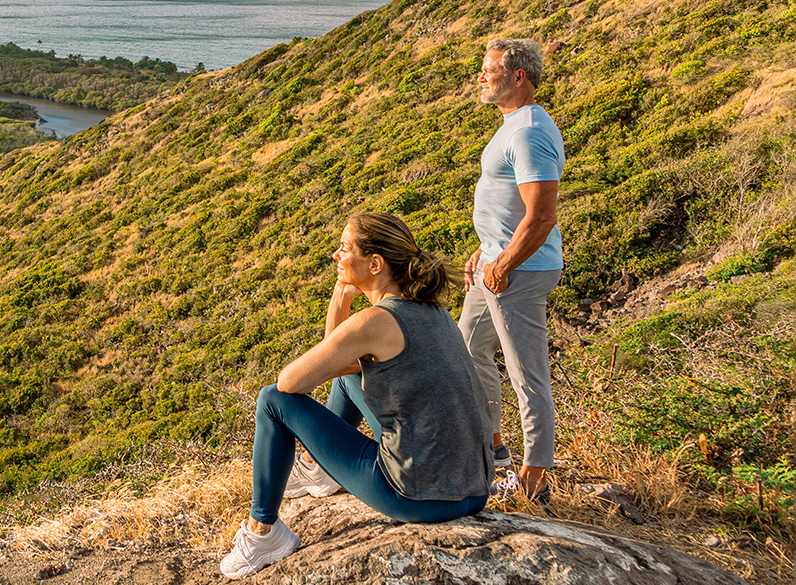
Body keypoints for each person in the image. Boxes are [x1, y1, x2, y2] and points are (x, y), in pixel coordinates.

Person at [220, 213, 493, 579]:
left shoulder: (375, 322)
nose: (336, 255)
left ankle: (263, 532)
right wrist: (346, 289)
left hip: (417, 497)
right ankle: (320, 473)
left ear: (375, 264)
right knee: (349, 381)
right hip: (474, 490)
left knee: (272, 400)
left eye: (345, 248)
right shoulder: (433, 310)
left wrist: (342, 294)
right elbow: (343, 361)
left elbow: (289, 384)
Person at [459, 38, 563, 501]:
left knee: (527, 376)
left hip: (517, 272)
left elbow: (541, 215)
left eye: (490, 69)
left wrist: (503, 261)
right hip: (495, 264)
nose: (481, 77)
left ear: (519, 76)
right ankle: (495, 449)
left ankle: (532, 483)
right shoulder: (515, 124)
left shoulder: (529, 132)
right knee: (466, 352)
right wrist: (485, 251)